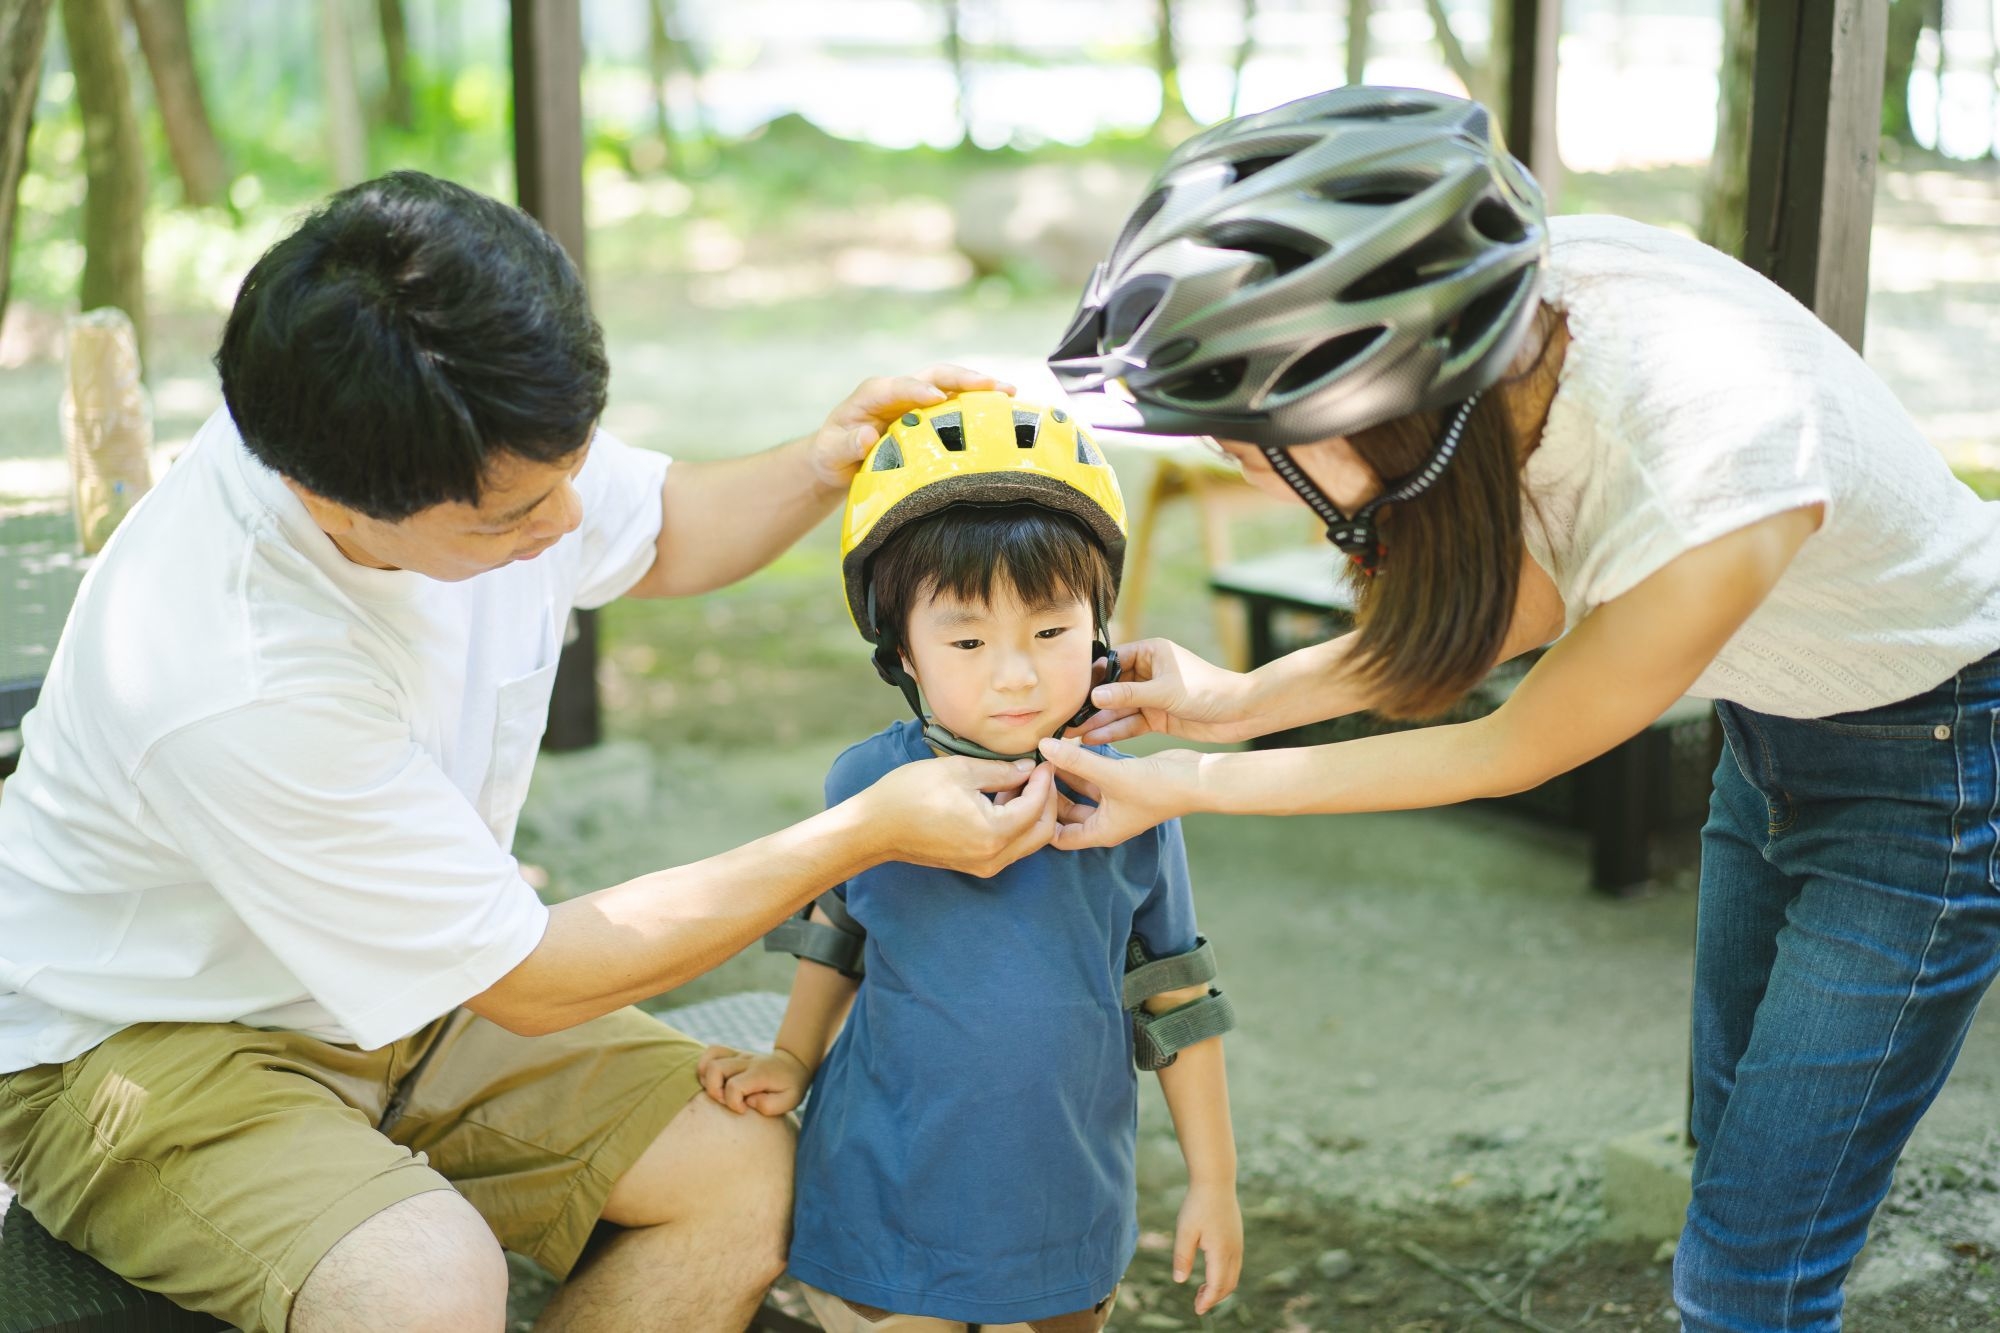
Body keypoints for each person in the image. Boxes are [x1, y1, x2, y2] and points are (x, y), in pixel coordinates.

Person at [0, 172, 1062, 1333]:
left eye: (571, 467)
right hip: (148, 1036)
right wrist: (863, 832)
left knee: (742, 1163)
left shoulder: (458, 414)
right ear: (331, 497)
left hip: (411, 990)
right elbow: (532, 980)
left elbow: (663, 526)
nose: (565, 523)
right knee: (425, 1283)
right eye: (510, 517)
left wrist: (821, 465)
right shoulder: (237, 669)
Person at [1037, 87, 2000, 1332]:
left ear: (1382, 408)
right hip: (1776, 734)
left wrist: (1186, 784)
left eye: (1246, 437)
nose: (1230, 463)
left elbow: (1516, 742)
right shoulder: (1511, 335)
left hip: (1933, 772)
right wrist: (1237, 701)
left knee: (1749, 1270)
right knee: (1734, 1155)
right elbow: (1527, 598)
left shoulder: (1710, 454)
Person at [694, 392, 1242, 1331]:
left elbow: (1177, 998)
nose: (1015, 672)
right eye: (967, 639)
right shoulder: (869, 781)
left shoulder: (1133, 802)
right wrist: (793, 1055)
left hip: (1065, 1204)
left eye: (1050, 632)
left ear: (1099, 627)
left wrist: (1215, 1181)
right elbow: (838, 930)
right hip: (886, 1192)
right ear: (900, 648)